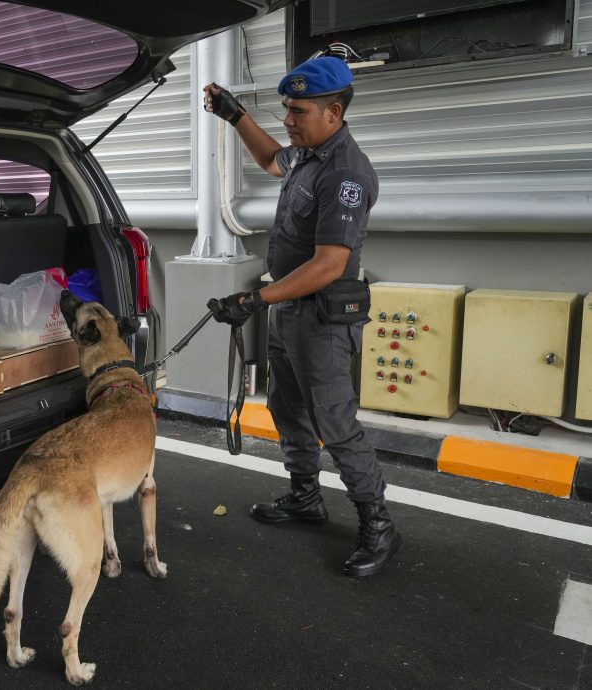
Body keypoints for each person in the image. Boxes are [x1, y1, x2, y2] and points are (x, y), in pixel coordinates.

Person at [203, 56, 402, 577]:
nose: (287, 120)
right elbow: (272, 159)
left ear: (333, 112)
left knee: (335, 425)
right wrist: (234, 114)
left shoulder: (346, 174)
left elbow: (330, 263)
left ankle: (377, 523)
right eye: (286, 109)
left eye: (298, 111)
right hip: (289, 309)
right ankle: (306, 497)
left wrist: (254, 301)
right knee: (288, 410)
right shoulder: (306, 156)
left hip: (322, 320)